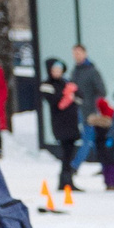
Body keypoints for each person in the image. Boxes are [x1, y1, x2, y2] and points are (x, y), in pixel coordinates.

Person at [37, 57, 80, 188]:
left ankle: (67, 181)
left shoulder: (66, 82)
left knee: (70, 152)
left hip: (72, 123)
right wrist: (67, 95)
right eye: (54, 69)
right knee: (66, 153)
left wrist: (72, 94)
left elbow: (80, 96)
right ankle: (65, 181)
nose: (57, 72)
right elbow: (53, 100)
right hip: (60, 124)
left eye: (59, 69)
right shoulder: (47, 85)